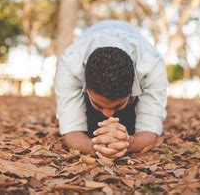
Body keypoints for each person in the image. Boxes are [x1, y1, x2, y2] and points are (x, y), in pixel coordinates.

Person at [55, 20, 168, 160]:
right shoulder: (70, 63)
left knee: (128, 125)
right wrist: (94, 146)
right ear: (86, 88)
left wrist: (128, 143)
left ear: (131, 90)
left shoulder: (152, 64)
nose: (108, 114)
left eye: (118, 105)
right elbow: (71, 130)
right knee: (92, 128)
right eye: (98, 104)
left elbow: (150, 129)